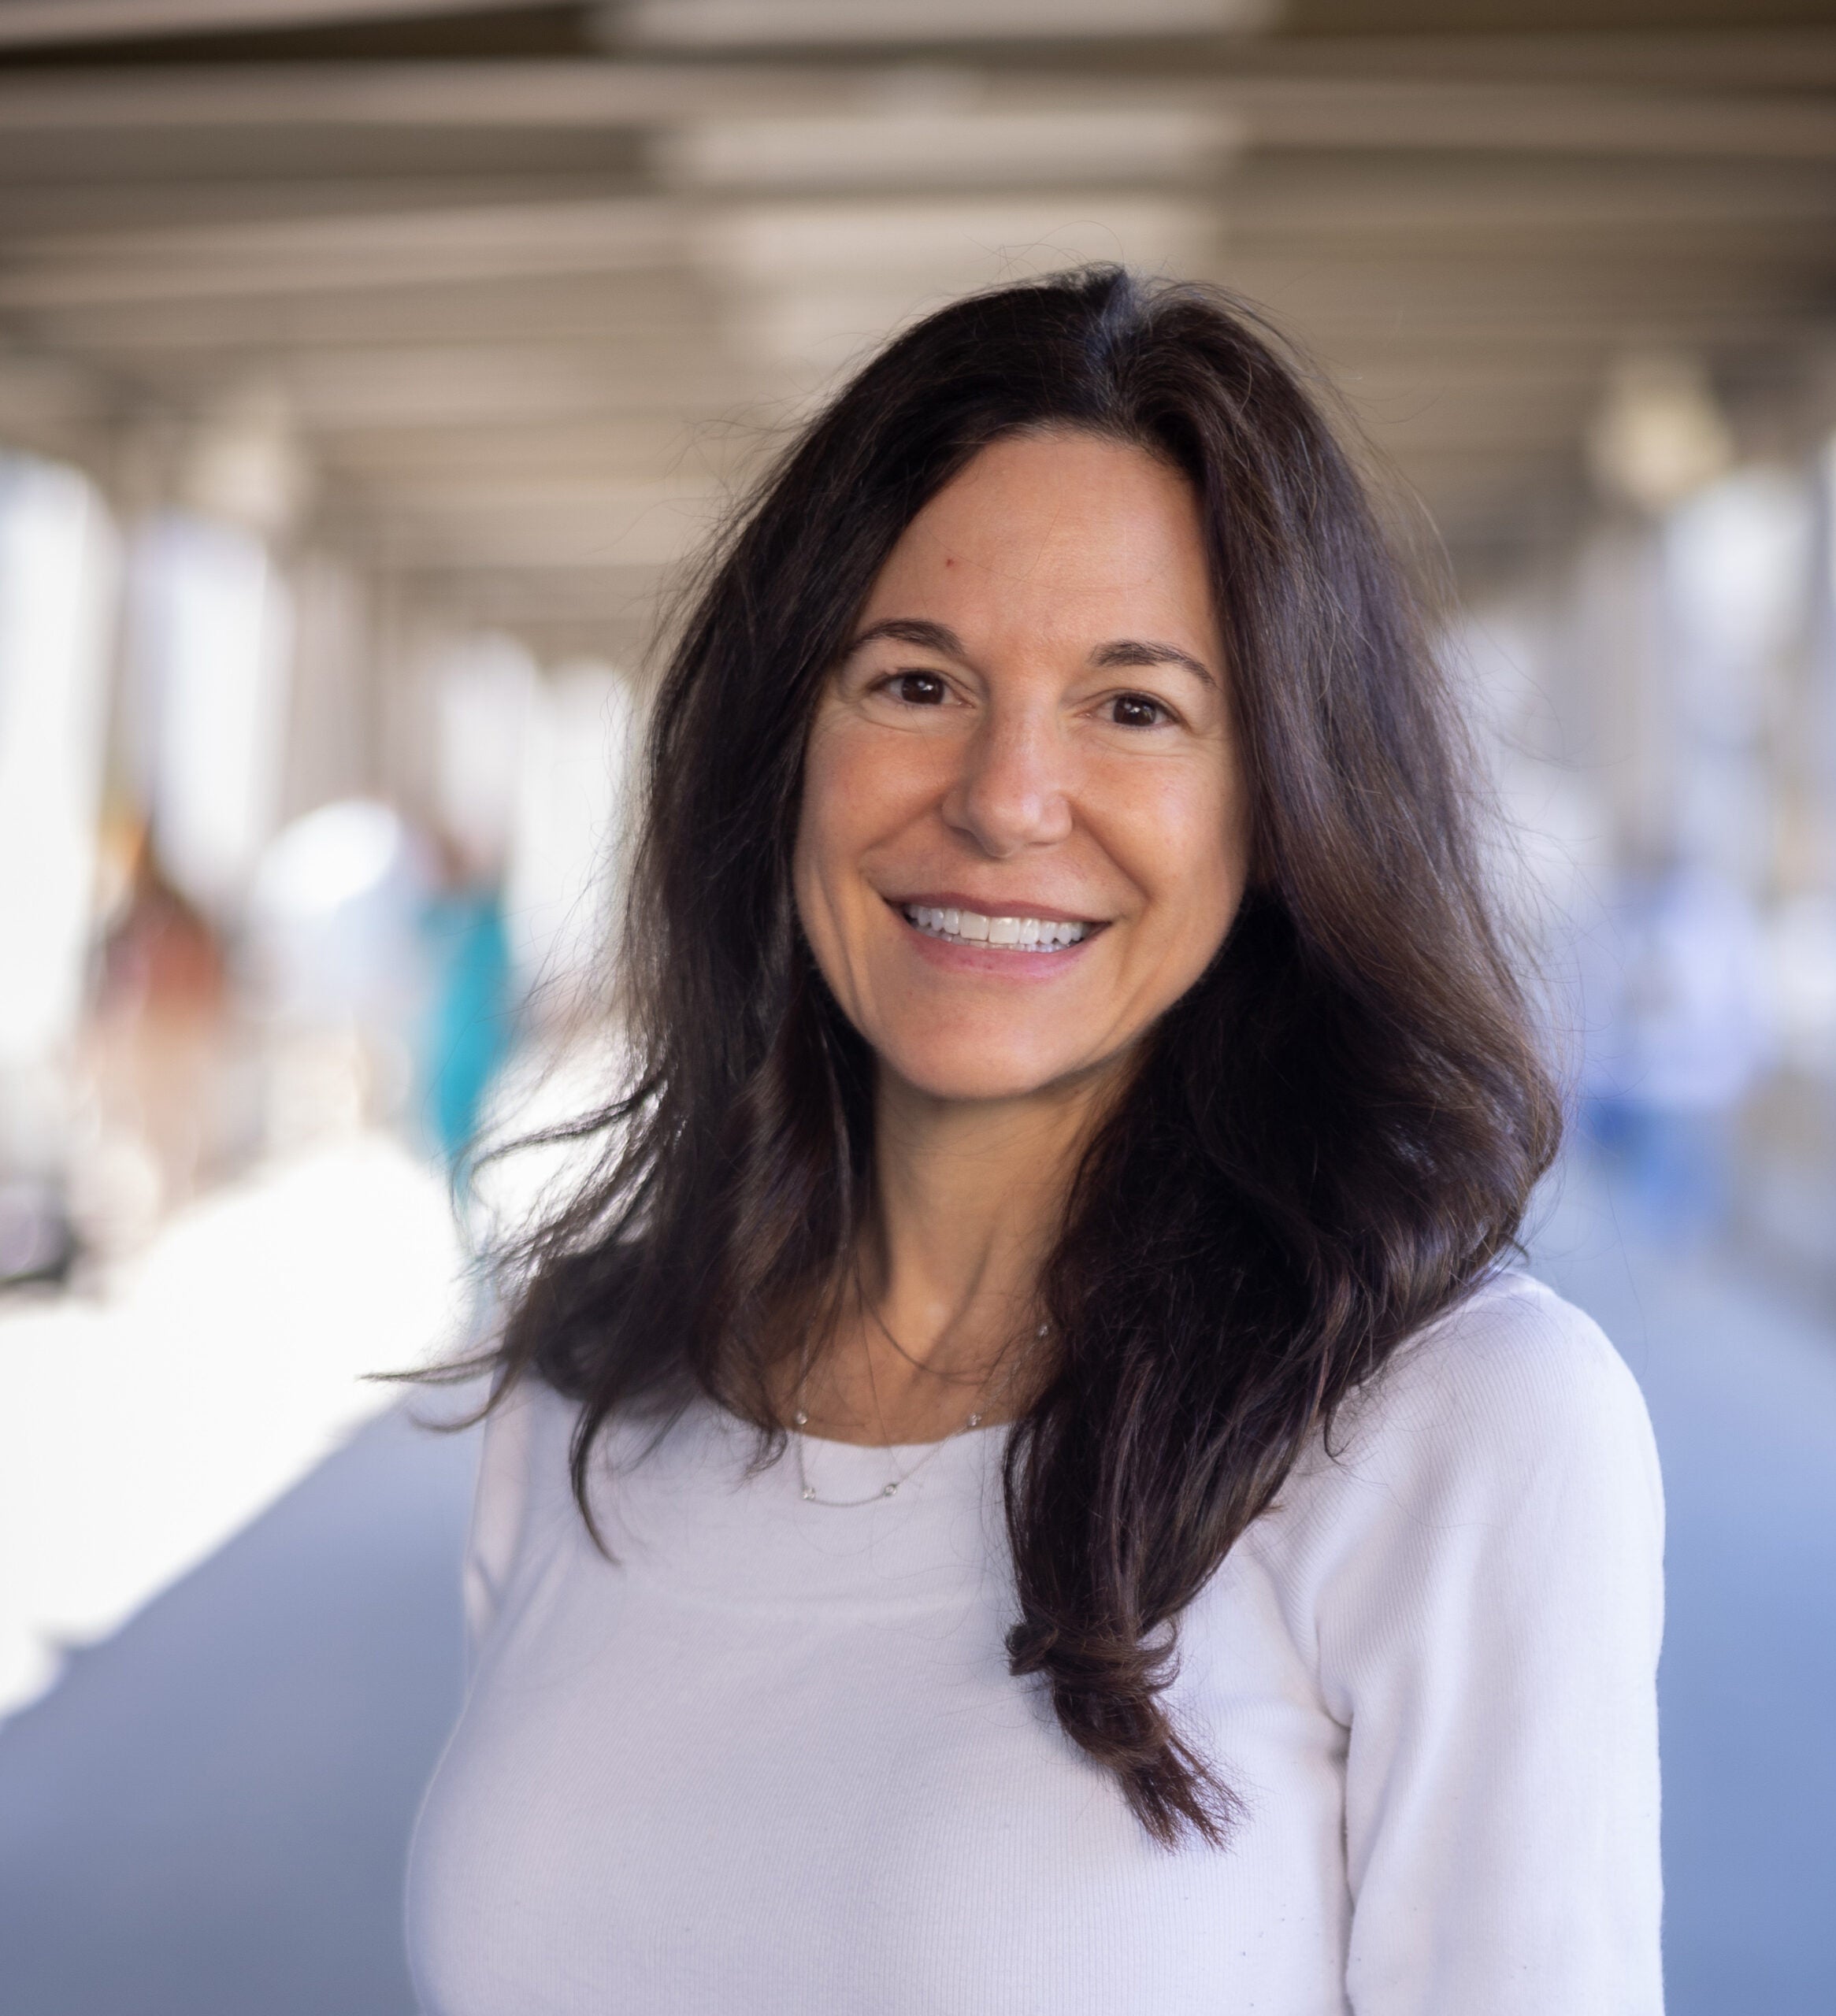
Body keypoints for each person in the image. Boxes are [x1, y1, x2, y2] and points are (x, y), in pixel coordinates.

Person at [406, 268, 1663, 2015]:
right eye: (914, 681)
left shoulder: (1452, 1424)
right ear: (782, 747)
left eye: (1133, 705)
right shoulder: (593, 1386)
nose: (1003, 797)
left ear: (1281, 803)